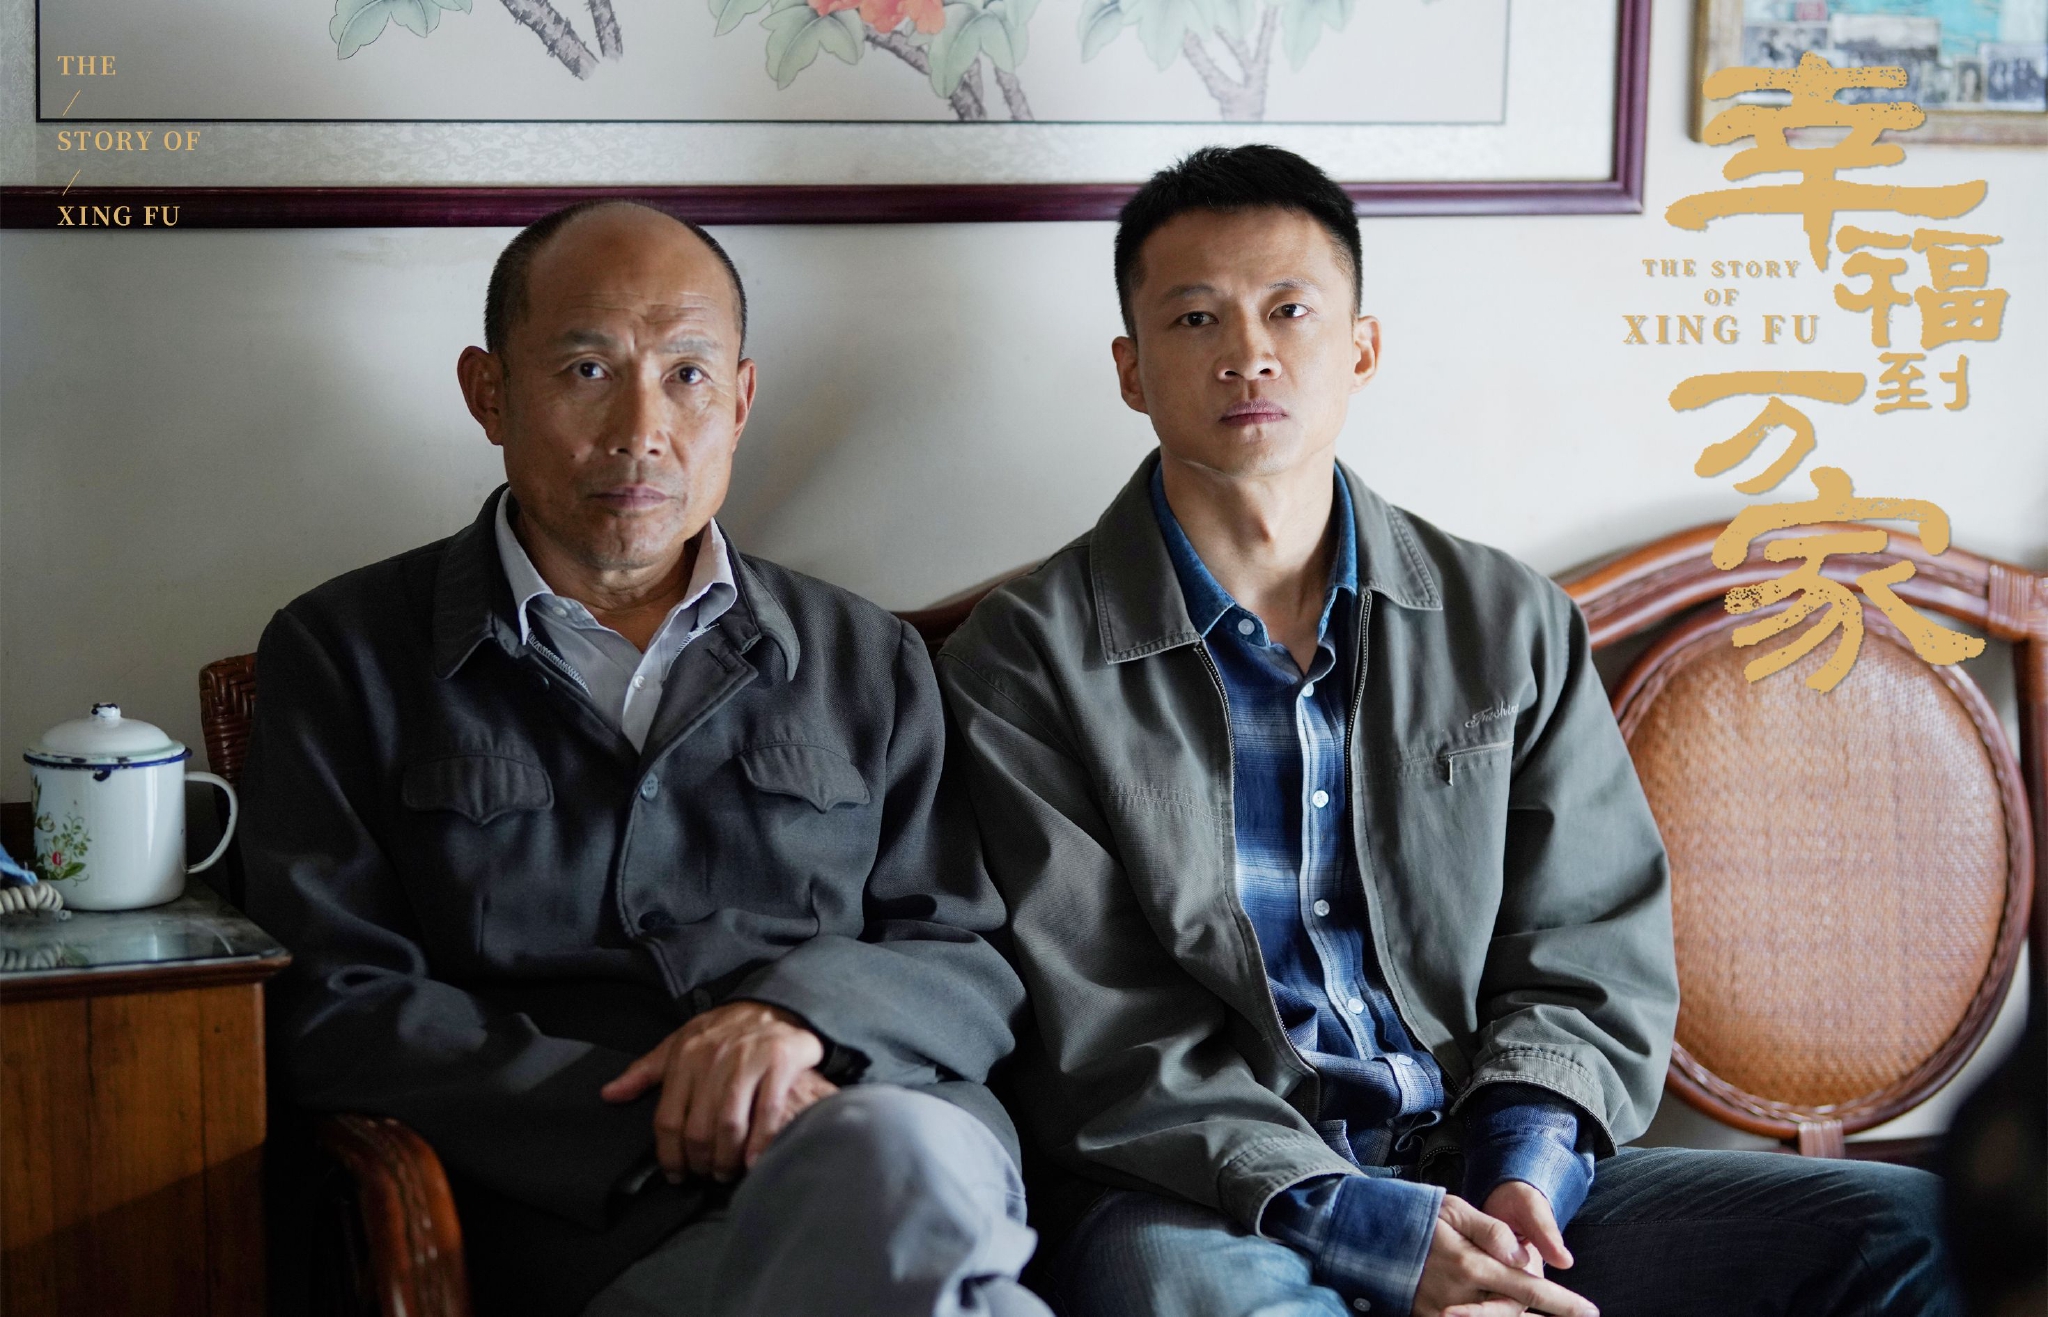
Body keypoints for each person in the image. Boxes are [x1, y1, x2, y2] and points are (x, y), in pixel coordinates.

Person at [937, 146, 1958, 1317]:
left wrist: (1522, 1175)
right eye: (1193, 316)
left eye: (1288, 311)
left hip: (1477, 1160)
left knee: (1912, 1235)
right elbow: (1101, 1034)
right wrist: (1370, 1227)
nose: (1247, 352)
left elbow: (1585, 942)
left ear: (1359, 349)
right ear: (1130, 369)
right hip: (1207, 1195)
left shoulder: (1502, 621)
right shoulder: (1024, 660)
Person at [243, 200, 1045, 1317]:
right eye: (587, 370)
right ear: (488, 391)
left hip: (881, 1124)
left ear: (741, 401)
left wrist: (793, 1024)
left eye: (687, 375)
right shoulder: (344, 654)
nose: (642, 429)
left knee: (883, 1164)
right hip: (592, 1213)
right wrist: (672, 1109)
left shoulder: (866, 656)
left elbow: (962, 953)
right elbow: (337, 1006)